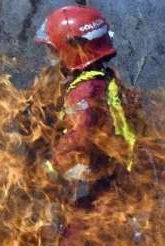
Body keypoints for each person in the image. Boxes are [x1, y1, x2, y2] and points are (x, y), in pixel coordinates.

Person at [35, 3, 137, 205]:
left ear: (73, 49)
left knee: (76, 236)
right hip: (118, 188)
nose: (52, 59)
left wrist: (50, 169)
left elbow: (81, 133)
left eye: (54, 52)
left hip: (105, 194)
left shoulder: (87, 90)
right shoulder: (104, 81)